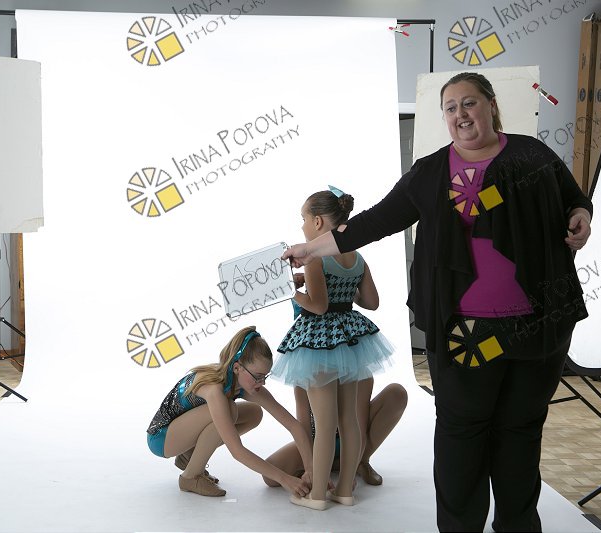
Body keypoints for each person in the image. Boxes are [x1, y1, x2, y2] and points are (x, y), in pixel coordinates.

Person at [282, 72, 593, 531]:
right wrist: (309, 250)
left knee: (521, 432)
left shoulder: (531, 154)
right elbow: (373, 222)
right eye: (450, 107)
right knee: (462, 436)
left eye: (469, 102)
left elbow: (573, 199)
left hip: (535, 328)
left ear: (490, 105)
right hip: (466, 333)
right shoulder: (431, 172)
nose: (460, 114)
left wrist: (581, 216)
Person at [270, 188, 395, 510]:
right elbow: (371, 302)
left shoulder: (315, 257)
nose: (301, 226)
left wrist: (289, 291)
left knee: (324, 425)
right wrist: (344, 288)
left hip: (319, 342)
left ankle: (316, 497)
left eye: (303, 219)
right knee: (348, 420)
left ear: (317, 222)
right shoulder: (357, 257)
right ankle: (345, 491)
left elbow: (318, 306)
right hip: (350, 340)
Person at [146, 326, 313, 498]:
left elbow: (293, 426)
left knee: (254, 413)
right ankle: (190, 477)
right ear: (237, 368)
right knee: (230, 410)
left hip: (181, 431)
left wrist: (311, 469)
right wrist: (285, 479)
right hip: (161, 438)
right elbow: (237, 451)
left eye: (265, 376)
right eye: (258, 376)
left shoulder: (244, 384)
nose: (262, 382)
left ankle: (188, 456)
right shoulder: (214, 390)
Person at [263, 377, 407, 487]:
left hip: (352, 442)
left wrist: (348, 476)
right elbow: (303, 430)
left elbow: (360, 431)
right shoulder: (304, 377)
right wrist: (311, 468)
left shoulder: (360, 374)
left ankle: (359, 462)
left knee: (396, 393)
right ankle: (330, 465)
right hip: (317, 444)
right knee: (270, 476)